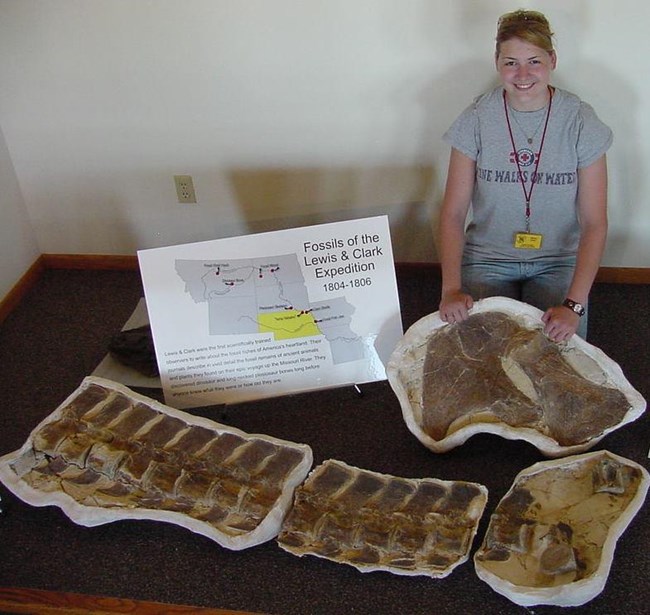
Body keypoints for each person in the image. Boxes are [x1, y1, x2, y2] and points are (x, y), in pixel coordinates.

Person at [438, 9, 612, 341]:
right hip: (488, 257)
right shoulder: (477, 117)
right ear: (497, 62)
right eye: (510, 62)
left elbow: (594, 221)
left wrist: (573, 305)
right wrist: (451, 289)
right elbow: (453, 212)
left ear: (552, 60)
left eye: (534, 61)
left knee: (556, 355)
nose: (522, 74)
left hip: (557, 260)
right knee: (479, 353)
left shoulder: (580, 121)